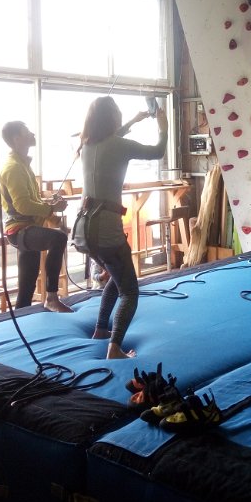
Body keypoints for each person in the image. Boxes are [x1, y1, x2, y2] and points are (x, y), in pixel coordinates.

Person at [78, 97, 168, 359]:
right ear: (112, 119)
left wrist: (135, 120)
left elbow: (112, 138)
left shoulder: (86, 145)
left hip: (84, 230)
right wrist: (163, 127)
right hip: (107, 230)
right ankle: (115, 347)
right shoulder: (118, 145)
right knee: (129, 291)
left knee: (117, 276)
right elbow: (157, 151)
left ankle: (100, 329)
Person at [0, 121, 72, 312]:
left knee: (27, 286)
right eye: (27, 132)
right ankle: (52, 297)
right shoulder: (14, 168)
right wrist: (52, 209)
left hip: (27, 228)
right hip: (20, 230)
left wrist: (55, 217)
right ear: (17, 139)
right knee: (58, 238)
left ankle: (21, 314)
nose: (32, 133)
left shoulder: (22, 165)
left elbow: (34, 201)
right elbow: (23, 206)